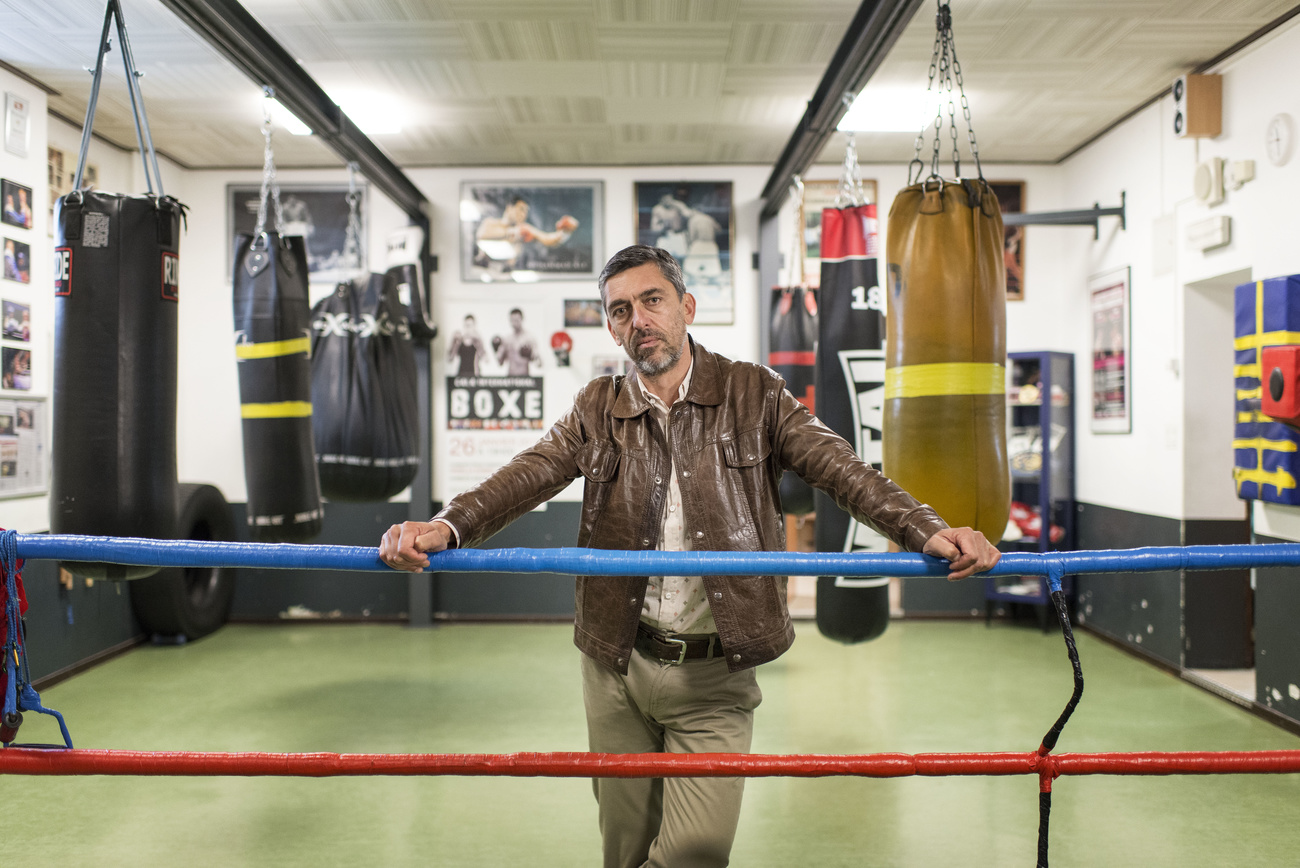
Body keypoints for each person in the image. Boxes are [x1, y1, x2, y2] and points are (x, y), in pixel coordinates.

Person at [380, 244, 1000, 868]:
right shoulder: (599, 406)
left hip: (716, 672)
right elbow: (532, 472)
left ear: (686, 307)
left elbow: (842, 468)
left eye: (652, 300)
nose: (638, 320)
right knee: (623, 849)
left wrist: (926, 529)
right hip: (617, 663)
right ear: (611, 326)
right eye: (620, 310)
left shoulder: (753, 392)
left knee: (696, 852)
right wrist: (447, 524)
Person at [474, 196, 578, 273]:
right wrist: (513, 232)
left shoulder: (524, 228)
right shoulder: (490, 223)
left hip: (506, 275)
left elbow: (549, 239)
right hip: (481, 272)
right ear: (509, 208)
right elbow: (482, 235)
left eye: (526, 211)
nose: (523, 214)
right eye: (521, 209)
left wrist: (565, 232)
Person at [492, 308, 538, 376]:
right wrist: (496, 349)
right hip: (511, 378)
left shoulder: (529, 338)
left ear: (522, 319)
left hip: (525, 378)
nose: (514, 323)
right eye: (512, 320)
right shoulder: (507, 339)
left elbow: (538, 362)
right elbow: (500, 362)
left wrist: (531, 355)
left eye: (516, 320)